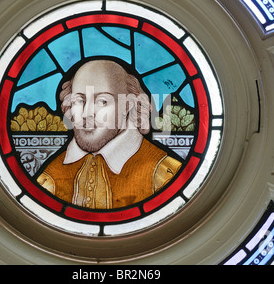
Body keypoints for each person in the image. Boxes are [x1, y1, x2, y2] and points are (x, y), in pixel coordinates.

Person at [36, 59, 182, 209]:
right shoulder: (50, 178)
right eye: (79, 100)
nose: (86, 114)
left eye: (102, 101)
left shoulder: (164, 176)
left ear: (128, 105)